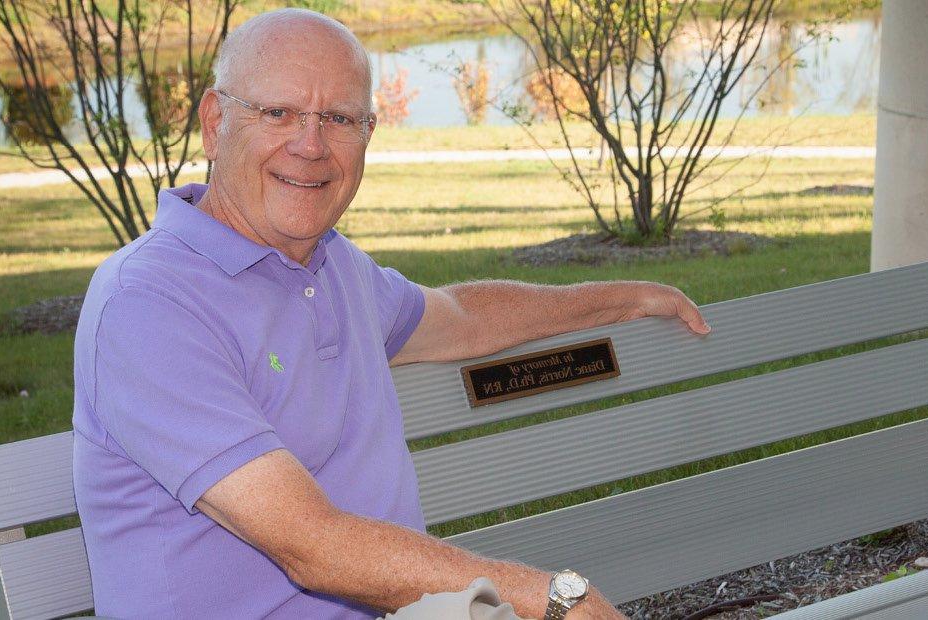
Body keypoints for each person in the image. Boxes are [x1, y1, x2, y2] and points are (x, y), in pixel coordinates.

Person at [70, 8, 709, 619]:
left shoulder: (333, 268)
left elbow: (463, 316)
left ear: (369, 136)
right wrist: (554, 598)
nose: (311, 145)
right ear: (214, 123)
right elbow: (311, 546)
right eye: (278, 112)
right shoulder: (150, 304)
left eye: (342, 119)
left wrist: (622, 299)